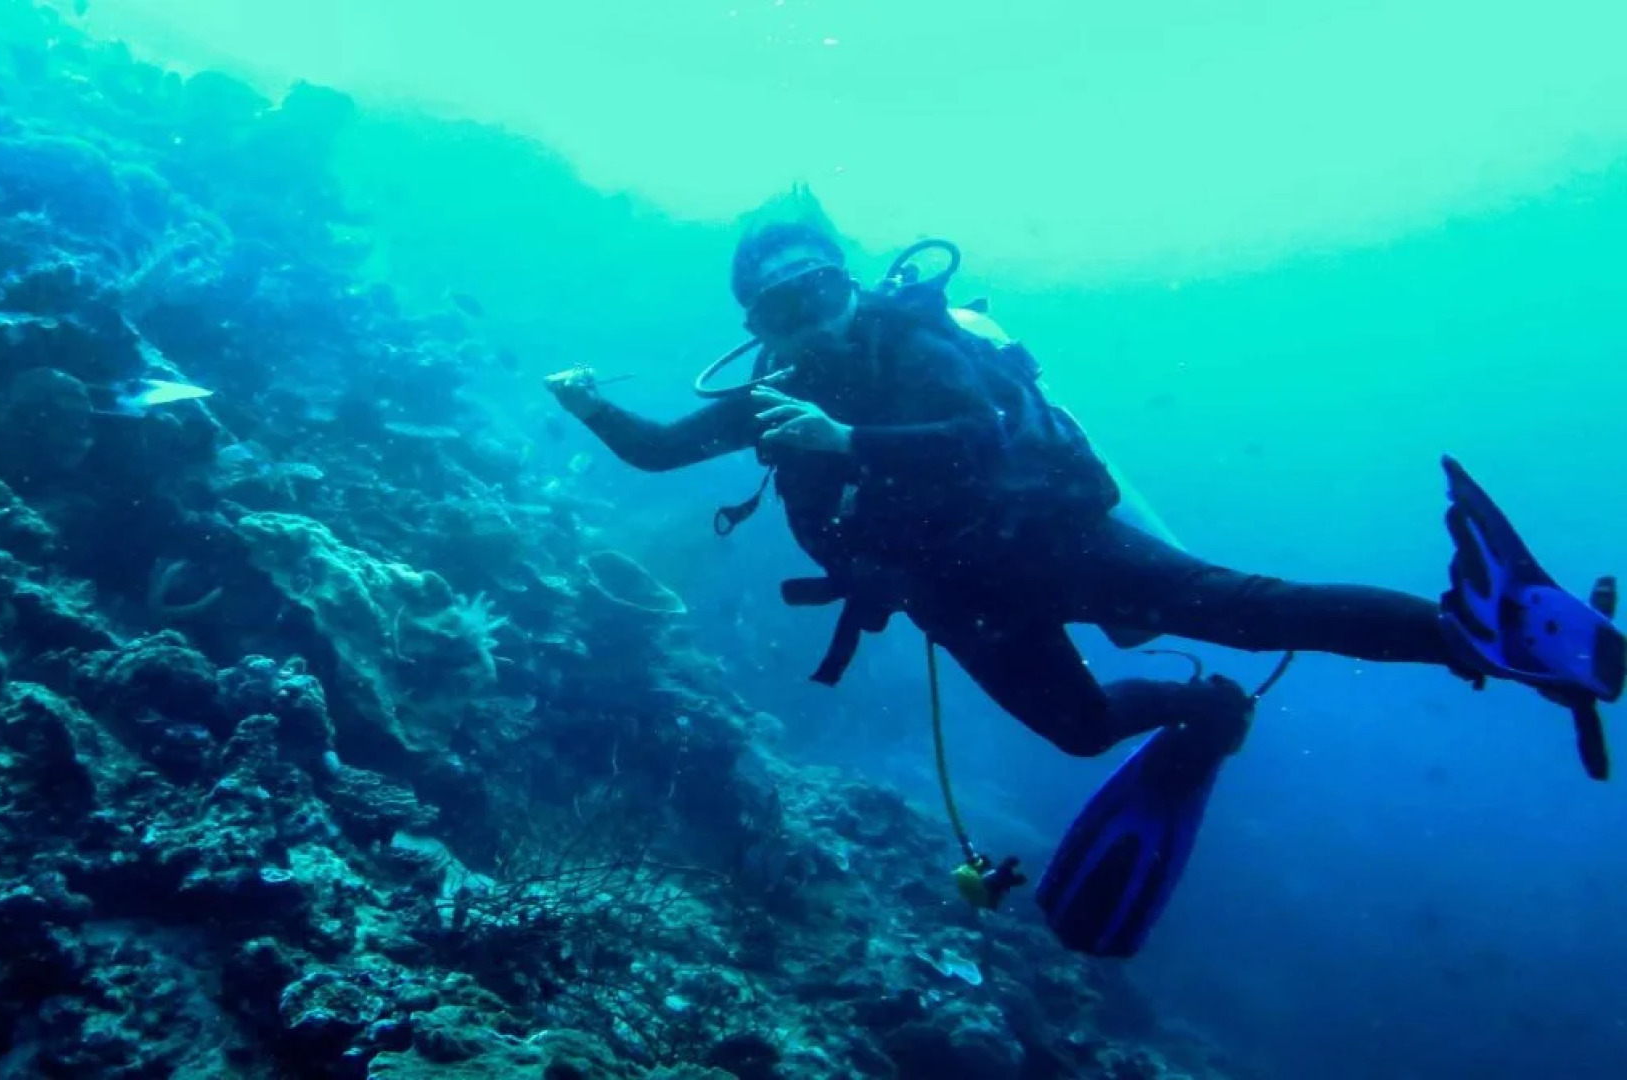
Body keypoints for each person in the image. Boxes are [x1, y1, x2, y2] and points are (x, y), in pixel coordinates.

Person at [546, 187, 1623, 955]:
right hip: (960, 601)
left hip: (1048, 539)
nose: (808, 313)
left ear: (847, 281)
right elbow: (657, 448)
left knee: (1243, 608)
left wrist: (845, 441)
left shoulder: (910, 342)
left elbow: (971, 434)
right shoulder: (771, 394)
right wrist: (590, 402)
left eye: (817, 285)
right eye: (779, 305)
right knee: (1076, 726)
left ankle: (1478, 631)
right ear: (755, 324)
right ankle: (1198, 709)